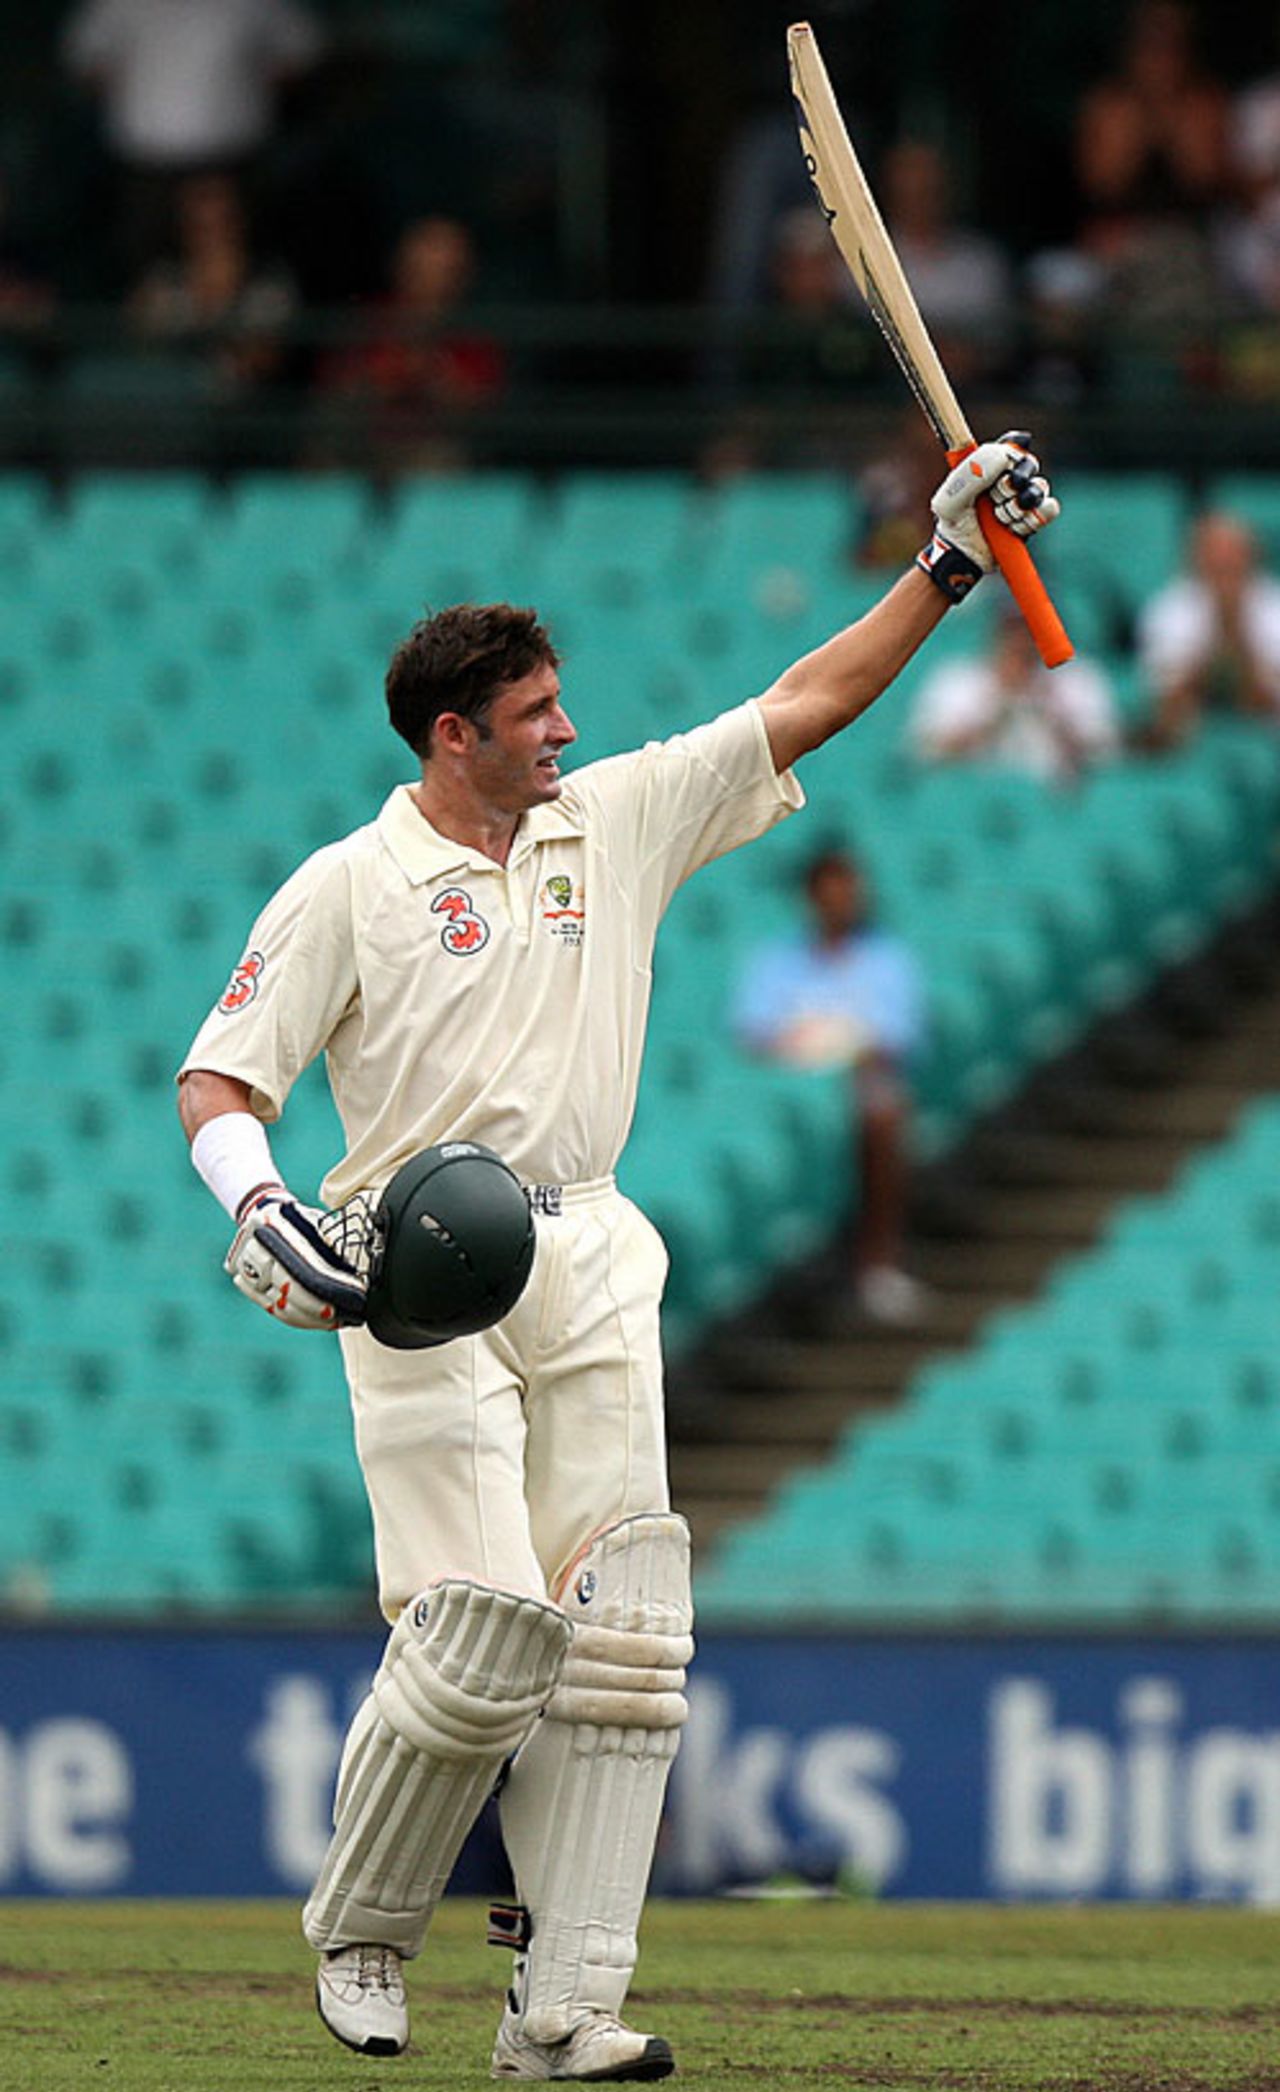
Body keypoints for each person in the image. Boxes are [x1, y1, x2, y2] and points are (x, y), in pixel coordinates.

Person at [175, 432, 1058, 2080]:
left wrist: (947, 563)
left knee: (626, 1630)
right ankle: (363, 1931)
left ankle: (562, 2005)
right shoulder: (350, 887)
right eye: (533, 718)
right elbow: (219, 1079)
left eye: (563, 706)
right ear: (454, 736)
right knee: (484, 1623)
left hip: (588, 1238)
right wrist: (254, 1197)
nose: (566, 732)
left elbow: (802, 702)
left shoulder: (611, 819)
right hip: (413, 1257)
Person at [732, 846, 929, 1326]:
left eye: (847, 891)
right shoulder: (775, 961)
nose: (839, 901)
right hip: (787, 1092)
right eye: (828, 891)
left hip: (857, 1089)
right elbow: (754, 1033)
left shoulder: (889, 961)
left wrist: (838, 1044)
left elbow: (898, 1039)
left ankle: (877, 1263)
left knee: (884, 1115)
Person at [62, 0, 323, 283]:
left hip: (234, 156)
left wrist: (242, 90)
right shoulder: (116, 5)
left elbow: (300, 54)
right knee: (148, 272)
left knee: (249, 271)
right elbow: (86, 61)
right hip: (147, 163)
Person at [910, 605, 1121, 783]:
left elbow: (1106, 757)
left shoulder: (1079, 678)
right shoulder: (957, 679)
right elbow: (928, 755)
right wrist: (997, 705)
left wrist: (1050, 708)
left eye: (1031, 631)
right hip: (974, 798)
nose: (1021, 642)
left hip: (1058, 799)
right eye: (1013, 631)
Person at [1136, 510, 1280, 748]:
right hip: (1194, 735)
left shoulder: (1274, 605)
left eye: (1232, 562)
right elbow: (1165, 698)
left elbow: (1268, 697)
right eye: (1214, 563)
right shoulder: (1169, 608)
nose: (1223, 574)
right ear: (1195, 561)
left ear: (1252, 559)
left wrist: (1237, 631)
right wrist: (1216, 638)